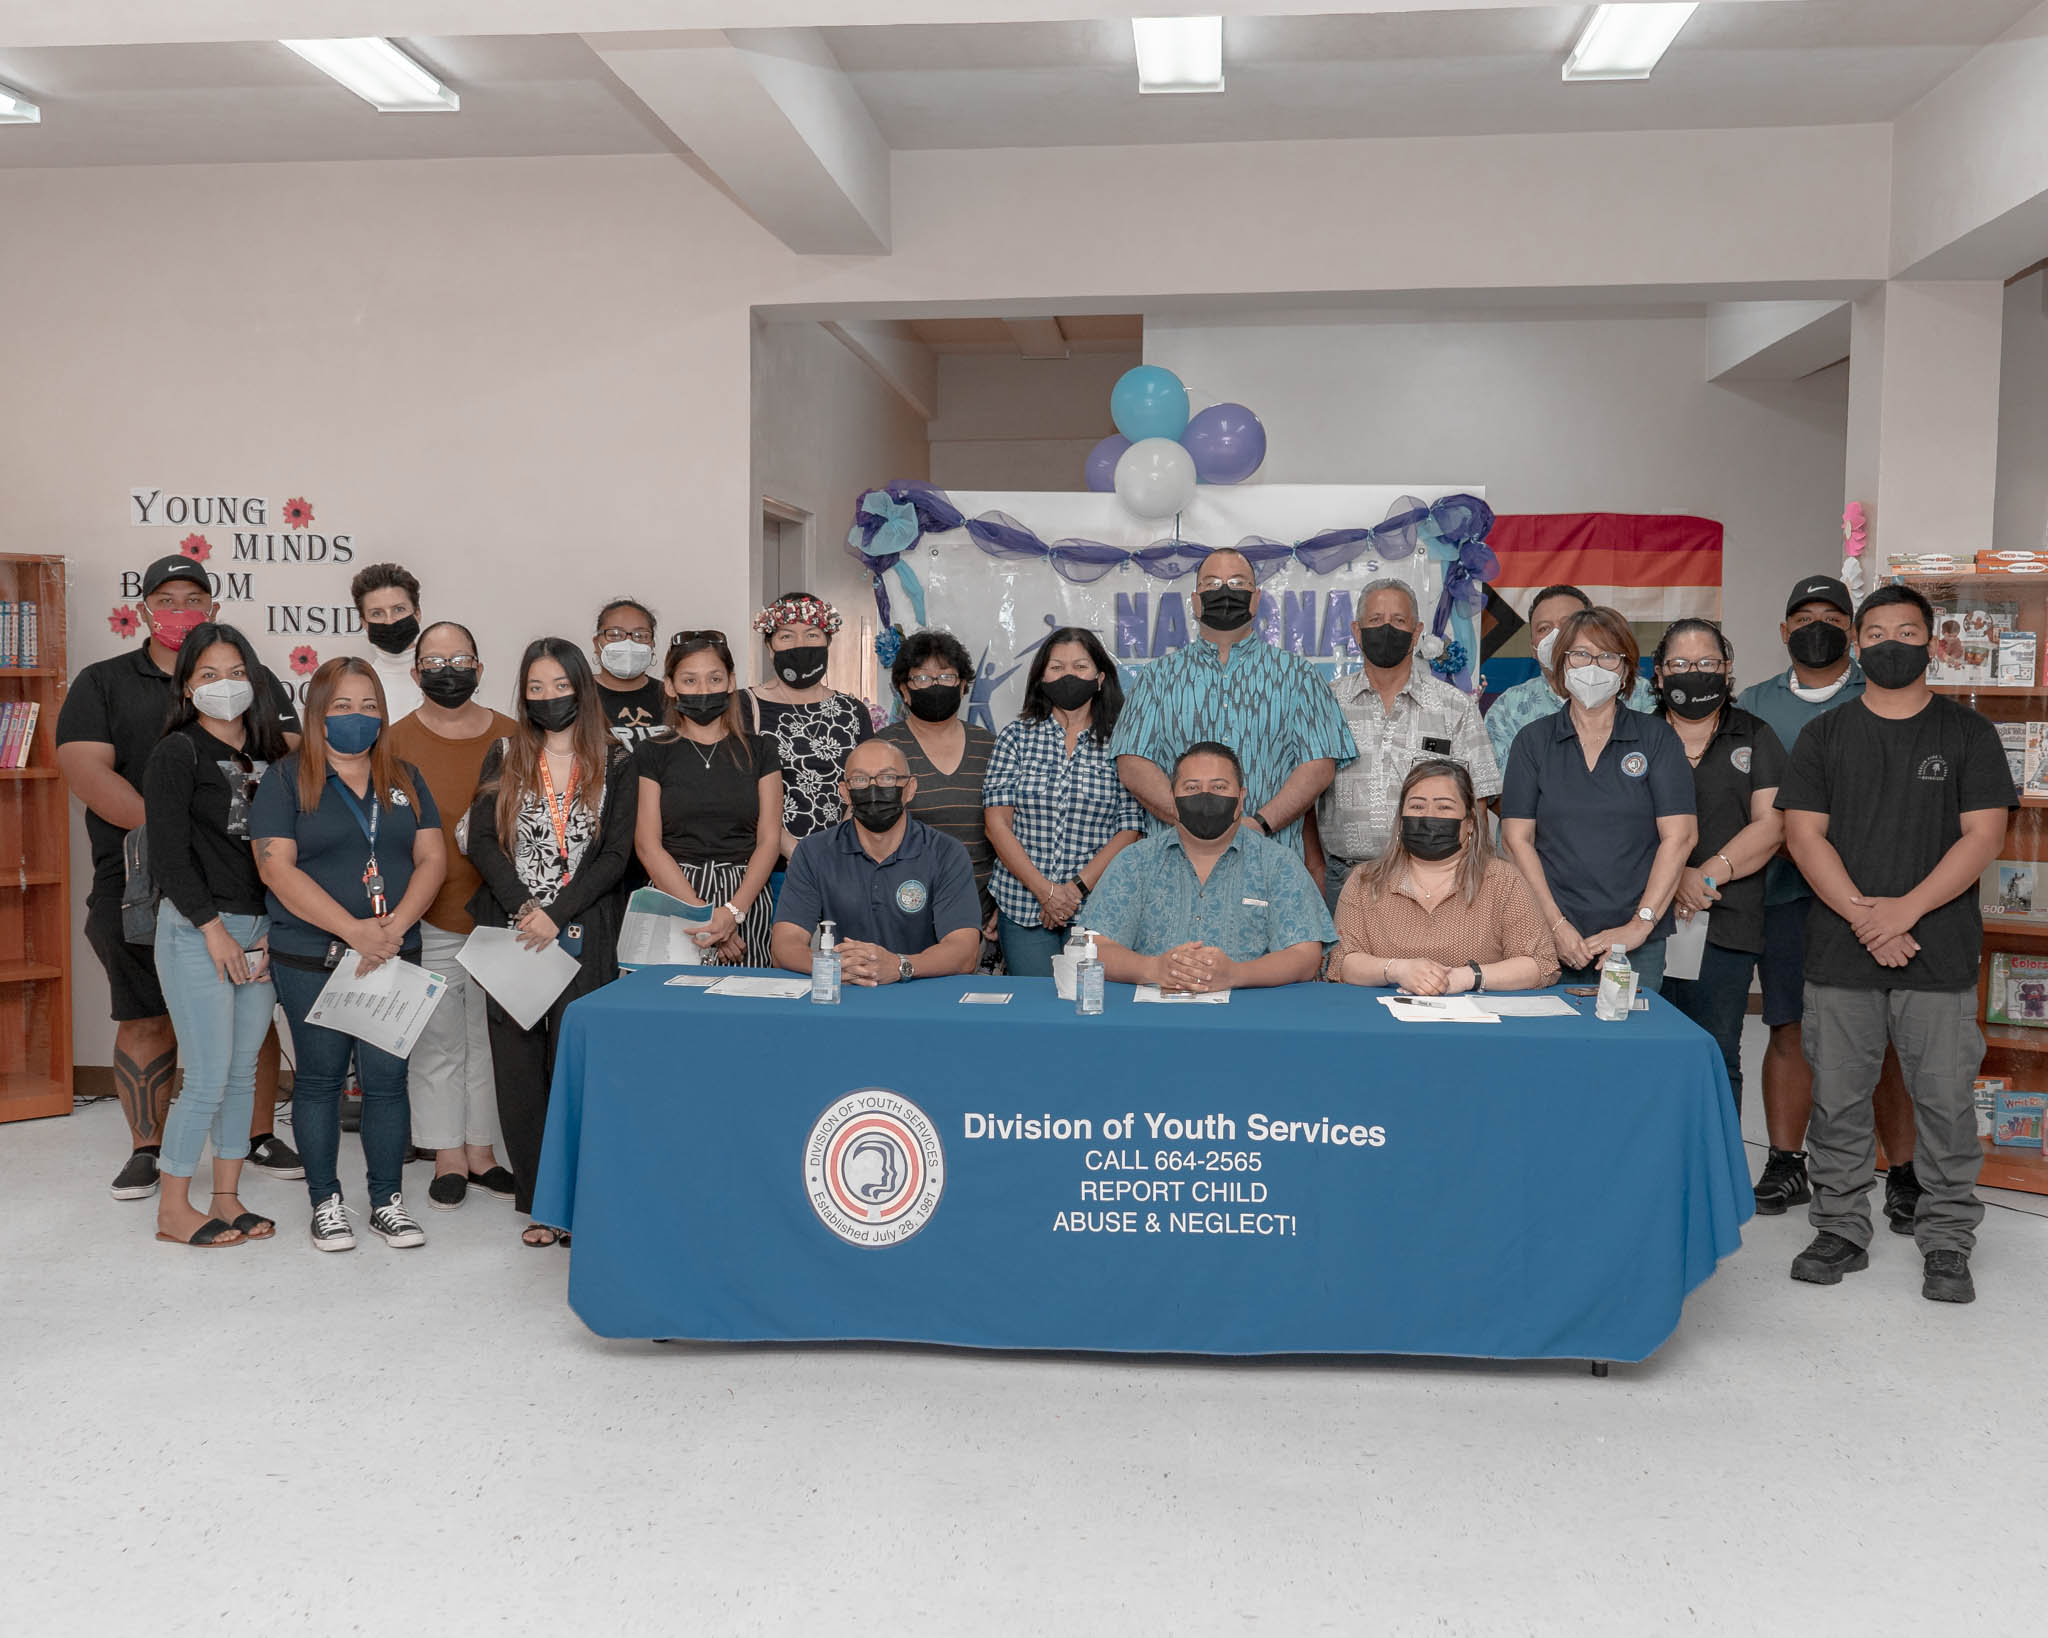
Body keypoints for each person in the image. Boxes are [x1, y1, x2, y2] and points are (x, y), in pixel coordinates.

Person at [1777, 584, 2014, 1304]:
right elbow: (1803, 837)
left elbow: (1984, 836)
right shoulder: (1824, 736)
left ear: (1932, 644)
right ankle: (1840, 1229)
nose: (1890, 644)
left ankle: (1947, 1240)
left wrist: (1905, 910)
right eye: (1875, 633)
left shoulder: (1968, 734)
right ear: (1856, 643)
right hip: (1841, 950)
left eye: (1907, 633)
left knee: (1945, 1104)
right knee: (1837, 1101)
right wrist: (1866, 919)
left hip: (1938, 952)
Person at [56, 552, 303, 1200]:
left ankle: (255, 1137)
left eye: (193, 598)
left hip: (251, 891)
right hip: (141, 882)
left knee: (249, 1028)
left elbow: (290, 761)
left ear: (214, 607)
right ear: (142, 611)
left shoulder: (259, 682)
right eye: (165, 600)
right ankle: (149, 1149)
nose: (179, 610)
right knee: (145, 1014)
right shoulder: (105, 682)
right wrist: (182, 827)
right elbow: (84, 769)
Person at [1736, 573, 1918, 1222]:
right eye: (1804, 618)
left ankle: (1903, 1172)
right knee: (1788, 1024)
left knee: (1885, 1036)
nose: (1818, 629)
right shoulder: (1754, 703)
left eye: (1834, 619)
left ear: (1855, 633)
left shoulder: (1882, 693)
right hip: (1785, 894)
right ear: (1783, 630)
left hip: (1874, 897)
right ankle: (1787, 1164)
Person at [251, 658, 445, 1253]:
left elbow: (432, 858)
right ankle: (326, 1202)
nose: (356, 717)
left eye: (368, 706)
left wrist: (393, 929)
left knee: (387, 1081)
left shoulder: (405, 777)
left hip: (393, 954)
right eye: (341, 706)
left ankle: (387, 1201)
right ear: (317, 713)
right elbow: (275, 868)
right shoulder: (286, 780)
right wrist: (355, 932)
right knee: (319, 1081)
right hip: (313, 956)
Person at [468, 639, 639, 1246]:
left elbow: (616, 854)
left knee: (575, 1066)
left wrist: (557, 914)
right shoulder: (504, 753)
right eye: (536, 688)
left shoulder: (616, 760)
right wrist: (526, 908)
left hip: (585, 930)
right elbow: (482, 841)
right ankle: (541, 1202)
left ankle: (580, 1197)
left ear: (581, 689)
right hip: (514, 932)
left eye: (560, 687)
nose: (548, 699)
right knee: (518, 1071)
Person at [141, 623, 290, 1247]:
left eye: (235, 673)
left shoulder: (272, 756)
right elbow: (169, 858)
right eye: (207, 674)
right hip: (198, 930)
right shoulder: (177, 753)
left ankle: (226, 1197)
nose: (223, 685)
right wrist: (212, 930)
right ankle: (173, 1209)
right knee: (204, 1075)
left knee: (240, 1074)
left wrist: (274, 929)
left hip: (260, 931)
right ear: (186, 687)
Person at [385, 621, 518, 1208]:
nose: (448, 671)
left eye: (460, 659)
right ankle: (445, 1153)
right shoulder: (393, 741)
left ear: (480, 669)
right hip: (429, 912)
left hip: (503, 915)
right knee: (437, 1036)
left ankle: (483, 1151)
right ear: (416, 673)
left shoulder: (515, 736)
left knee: (490, 1036)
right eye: (435, 662)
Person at [1109, 549, 1356, 859]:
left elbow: (1318, 765)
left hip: (1268, 859)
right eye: (1212, 584)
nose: (1225, 592)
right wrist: (1191, 823)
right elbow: (1132, 763)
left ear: (1255, 599)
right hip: (1175, 860)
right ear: (1196, 602)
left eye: (1238, 583)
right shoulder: (1156, 677)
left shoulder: (1299, 675)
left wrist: (1260, 824)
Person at [1500, 605, 1696, 990]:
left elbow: (1681, 836)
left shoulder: (1656, 738)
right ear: (1562, 664)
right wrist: (1555, 925)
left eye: (1608, 655)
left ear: (1625, 670)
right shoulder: (1533, 741)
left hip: (1635, 942)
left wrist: (1639, 925)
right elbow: (1515, 840)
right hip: (1547, 935)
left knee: (1634, 1031)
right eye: (1580, 654)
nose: (1593, 666)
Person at [1646, 619, 1788, 1110]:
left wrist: (1704, 874)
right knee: (1645, 1052)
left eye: (1707, 663)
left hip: (1727, 919)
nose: (1695, 673)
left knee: (1715, 1052)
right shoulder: (1635, 735)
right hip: (1644, 921)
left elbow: (1772, 825)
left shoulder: (1756, 734)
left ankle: (1717, 1160)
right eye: (1680, 664)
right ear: (1659, 674)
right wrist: (1673, 880)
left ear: (1727, 669)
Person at [1086, 742, 1334, 993]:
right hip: (1152, 1011)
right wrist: (1154, 969)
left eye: (1219, 787)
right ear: (1173, 798)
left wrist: (1236, 974)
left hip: (1251, 1010)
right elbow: (1096, 946)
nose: (1205, 797)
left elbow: (1305, 956)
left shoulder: (1278, 863)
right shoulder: (1135, 861)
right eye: (1192, 787)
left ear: (1241, 798)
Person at [1316, 578, 1500, 908]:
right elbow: (1306, 796)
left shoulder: (1455, 707)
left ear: (1416, 633)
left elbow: (1478, 804)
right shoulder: (1326, 703)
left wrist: (1476, 882)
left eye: (1399, 621)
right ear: (1357, 632)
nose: (1387, 629)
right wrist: (1314, 869)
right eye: (1376, 620)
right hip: (1344, 878)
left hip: (1436, 882)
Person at [983, 628, 1146, 977]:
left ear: (1100, 678)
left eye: (1080, 667)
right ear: (1041, 678)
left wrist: (1074, 890)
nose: (1068, 676)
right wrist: (1045, 892)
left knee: (1094, 1002)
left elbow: (1130, 829)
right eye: (1056, 667)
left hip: (1098, 907)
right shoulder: (1015, 737)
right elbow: (997, 825)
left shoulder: (1121, 741)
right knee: (1035, 1004)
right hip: (1023, 904)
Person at [1326, 759, 1558, 993]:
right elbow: (1341, 961)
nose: (1429, 816)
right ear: (1401, 819)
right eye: (1417, 806)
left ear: (1470, 823)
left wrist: (1466, 978)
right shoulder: (1365, 881)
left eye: (1444, 807)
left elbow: (1540, 964)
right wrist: (1397, 970)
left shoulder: (1503, 880)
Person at [769, 739, 980, 984]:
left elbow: (964, 952)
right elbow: (785, 945)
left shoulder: (946, 853)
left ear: (910, 788)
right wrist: (834, 968)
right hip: (847, 989)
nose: (874, 788)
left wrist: (900, 966)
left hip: (924, 989)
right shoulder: (813, 852)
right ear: (845, 792)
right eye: (860, 779)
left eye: (887, 778)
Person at [633, 630, 783, 966]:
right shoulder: (651, 752)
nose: (703, 690)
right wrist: (702, 916)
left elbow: (769, 840)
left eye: (714, 679)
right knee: (669, 996)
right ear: (670, 686)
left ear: (731, 682)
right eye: (690, 680)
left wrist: (732, 913)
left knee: (744, 996)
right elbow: (647, 845)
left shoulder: (761, 750)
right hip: (674, 893)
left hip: (745, 894)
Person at [878, 629, 997, 922]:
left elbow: (1011, 831)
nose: (935, 685)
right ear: (904, 690)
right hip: (901, 911)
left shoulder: (990, 747)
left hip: (980, 911)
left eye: (946, 676)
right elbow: (862, 830)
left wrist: (1004, 904)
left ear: (963, 685)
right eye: (921, 677)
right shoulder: (882, 749)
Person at [744, 593, 873, 860]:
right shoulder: (743, 706)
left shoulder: (853, 711)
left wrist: (834, 853)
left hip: (841, 860)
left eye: (812, 635)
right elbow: (739, 791)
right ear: (769, 646)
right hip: (770, 866)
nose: (800, 645)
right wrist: (800, 856)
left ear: (828, 641)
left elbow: (865, 785)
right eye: (786, 636)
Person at [1484, 583, 1658, 771]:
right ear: (1533, 648)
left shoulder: (1643, 695)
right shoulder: (1507, 709)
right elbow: (1509, 784)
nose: (1557, 637)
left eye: (1568, 624)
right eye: (1544, 628)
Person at [589, 596, 668, 748]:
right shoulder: (578, 695)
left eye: (640, 636)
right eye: (615, 635)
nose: (628, 643)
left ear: (652, 644)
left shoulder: (669, 696)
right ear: (596, 643)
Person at [351, 562, 424, 721]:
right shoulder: (358, 685)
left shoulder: (444, 676)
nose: (390, 621)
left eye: (399, 609)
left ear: (417, 613)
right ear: (364, 623)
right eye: (377, 613)